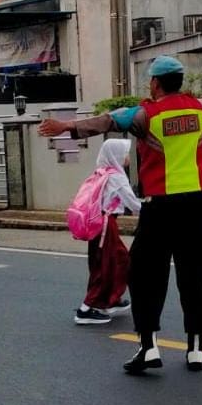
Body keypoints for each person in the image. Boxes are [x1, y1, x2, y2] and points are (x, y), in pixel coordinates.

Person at [39, 53, 202, 373]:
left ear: (155, 83)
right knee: (193, 278)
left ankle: (149, 348)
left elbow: (105, 121)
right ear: (179, 82)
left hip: (160, 209)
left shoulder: (145, 115)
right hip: (196, 207)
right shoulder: (200, 109)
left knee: (145, 279)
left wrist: (65, 126)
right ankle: (196, 350)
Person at [74, 138, 141, 326]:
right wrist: (154, 209)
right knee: (109, 263)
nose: (128, 156)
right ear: (116, 155)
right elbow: (132, 203)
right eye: (124, 152)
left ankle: (108, 300)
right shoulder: (116, 177)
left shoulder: (102, 172)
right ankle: (86, 308)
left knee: (110, 261)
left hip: (99, 222)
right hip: (105, 224)